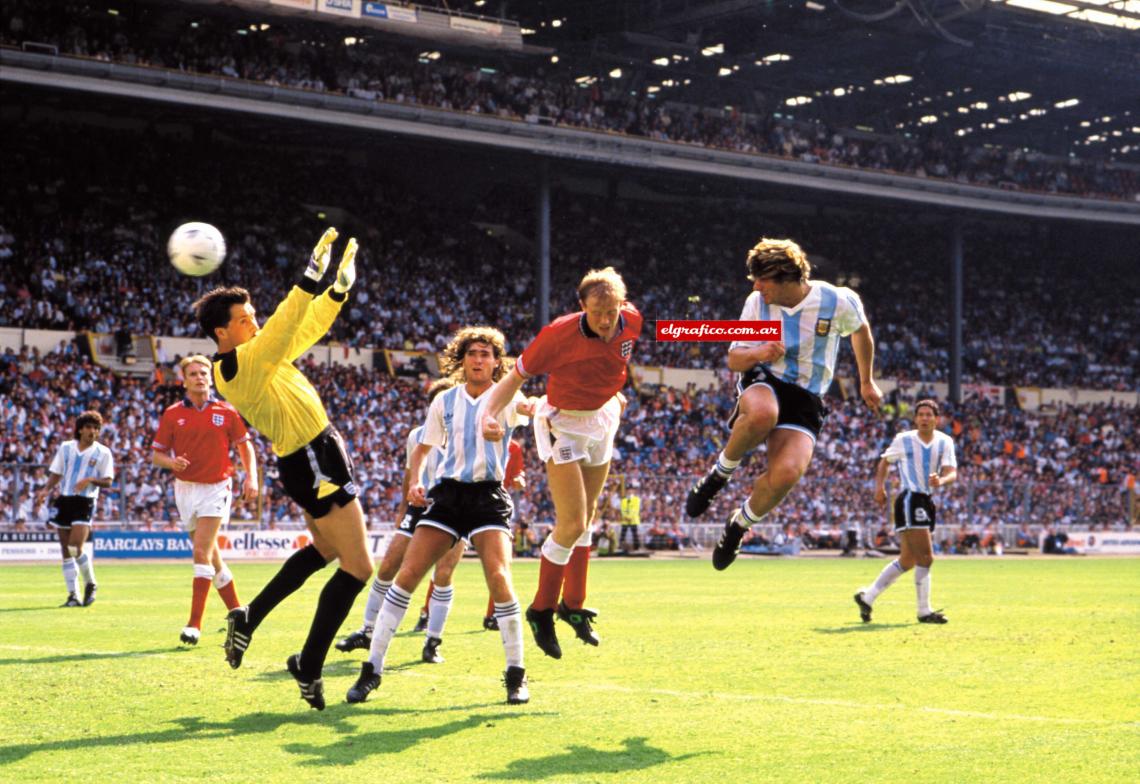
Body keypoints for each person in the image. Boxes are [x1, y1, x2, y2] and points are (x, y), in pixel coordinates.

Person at [192, 227, 372, 710]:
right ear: (221, 333)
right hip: (315, 457)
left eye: (254, 317)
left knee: (327, 550)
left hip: (311, 456)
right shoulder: (234, 366)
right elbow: (282, 330)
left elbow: (300, 329)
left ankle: (249, 617)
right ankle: (310, 664)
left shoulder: (256, 356)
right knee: (358, 567)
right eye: (245, 319)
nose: (255, 323)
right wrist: (309, 280)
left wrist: (337, 291)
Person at [346, 326, 534, 705]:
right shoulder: (444, 401)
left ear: (498, 362)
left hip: (487, 496)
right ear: (462, 360)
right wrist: (416, 481)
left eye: (486, 354)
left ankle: (516, 674)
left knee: (498, 576)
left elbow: (533, 409)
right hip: (447, 494)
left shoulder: (510, 397)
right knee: (409, 574)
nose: (479, 360)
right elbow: (422, 449)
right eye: (473, 353)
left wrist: (537, 407)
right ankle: (372, 670)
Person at [684, 238, 882, 570]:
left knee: (788, 472)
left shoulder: (836, 301)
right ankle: (719, 476)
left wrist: (866, 380)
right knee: (763, 414)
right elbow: (734, 359)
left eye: (763, 280)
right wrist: (759, 353)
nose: (757, 286)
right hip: (765, 377)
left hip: (808, 395)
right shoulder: (758, 305)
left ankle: (737, 527)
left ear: (787, 277)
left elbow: (860, 330)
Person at [481, 267, 641, 660]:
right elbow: (514, 377)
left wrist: (755, 334)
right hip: (562, 424)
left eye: (612, 311)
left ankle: (574, 604)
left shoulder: (632, 320)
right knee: (570, 522)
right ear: (582, 305)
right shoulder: (557, 335)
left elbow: (682, 329)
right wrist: (489, 413)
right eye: (597, 311)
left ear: (622, 304)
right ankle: (541, 609)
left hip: (602, 419)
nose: (606, 320)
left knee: (586, 521)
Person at [335, 377, 467, 664]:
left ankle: (432, 641)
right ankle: (367, 630)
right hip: (420, 507)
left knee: (443, 573)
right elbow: (411, 473)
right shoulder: (417, 435)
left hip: (458, 508)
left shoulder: (468, 435)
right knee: (388, 565)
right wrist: (402, 508)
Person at [151, 354, 258, 645]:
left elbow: (244, 446)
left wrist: (252, 477)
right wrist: (171, 463)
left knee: (200, 552)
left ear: (210, 377)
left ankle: (193, 625)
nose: (200, 377)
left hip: (216, 487)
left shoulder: (226, 411)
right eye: (194, 374)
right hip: (185, 489)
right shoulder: (173, 414)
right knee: (212, 557)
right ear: (184, 380)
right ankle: (238, 612)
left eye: (204, 373)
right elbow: (157, 454)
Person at [854, 399, 957, 625]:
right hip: (911, 498)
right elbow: (884, 462)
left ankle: (868, 597)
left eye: (929, 414)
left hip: (926, 501)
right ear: (915, 419)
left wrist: (942, 480)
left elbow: (952, 472)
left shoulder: (944, 441)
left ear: (936, 419)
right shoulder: (904, 440)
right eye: (920, 414)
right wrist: (879, 488)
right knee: (926, 557)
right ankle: (924, 611)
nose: (924, 418)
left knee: (908, 559)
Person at [34, 410, 114, 607]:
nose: (93, 432)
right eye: (89, 427)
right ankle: (73, 595)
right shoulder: (66, 448)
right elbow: (57, 473)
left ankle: (90, 583)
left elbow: (108, 481)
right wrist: (45, 490)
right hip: (64, 500)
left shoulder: (103, 452)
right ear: (80, 429)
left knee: (75, 547)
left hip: (84, 501)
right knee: (65, 550)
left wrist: (90, 479)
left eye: (96, 428)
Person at [619, 485, 642, 553]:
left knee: (634, 533)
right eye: (628, 490)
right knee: (623, 533)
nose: (629, 491)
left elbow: (636, 509)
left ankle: (636, 547)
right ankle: (621, 547)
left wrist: (630, 517)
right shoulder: (623, 500)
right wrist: (626, 516)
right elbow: (623, 509)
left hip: (633, 519)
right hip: (625, 520)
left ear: (633, 491)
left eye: (631, 490)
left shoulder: (637, 499)